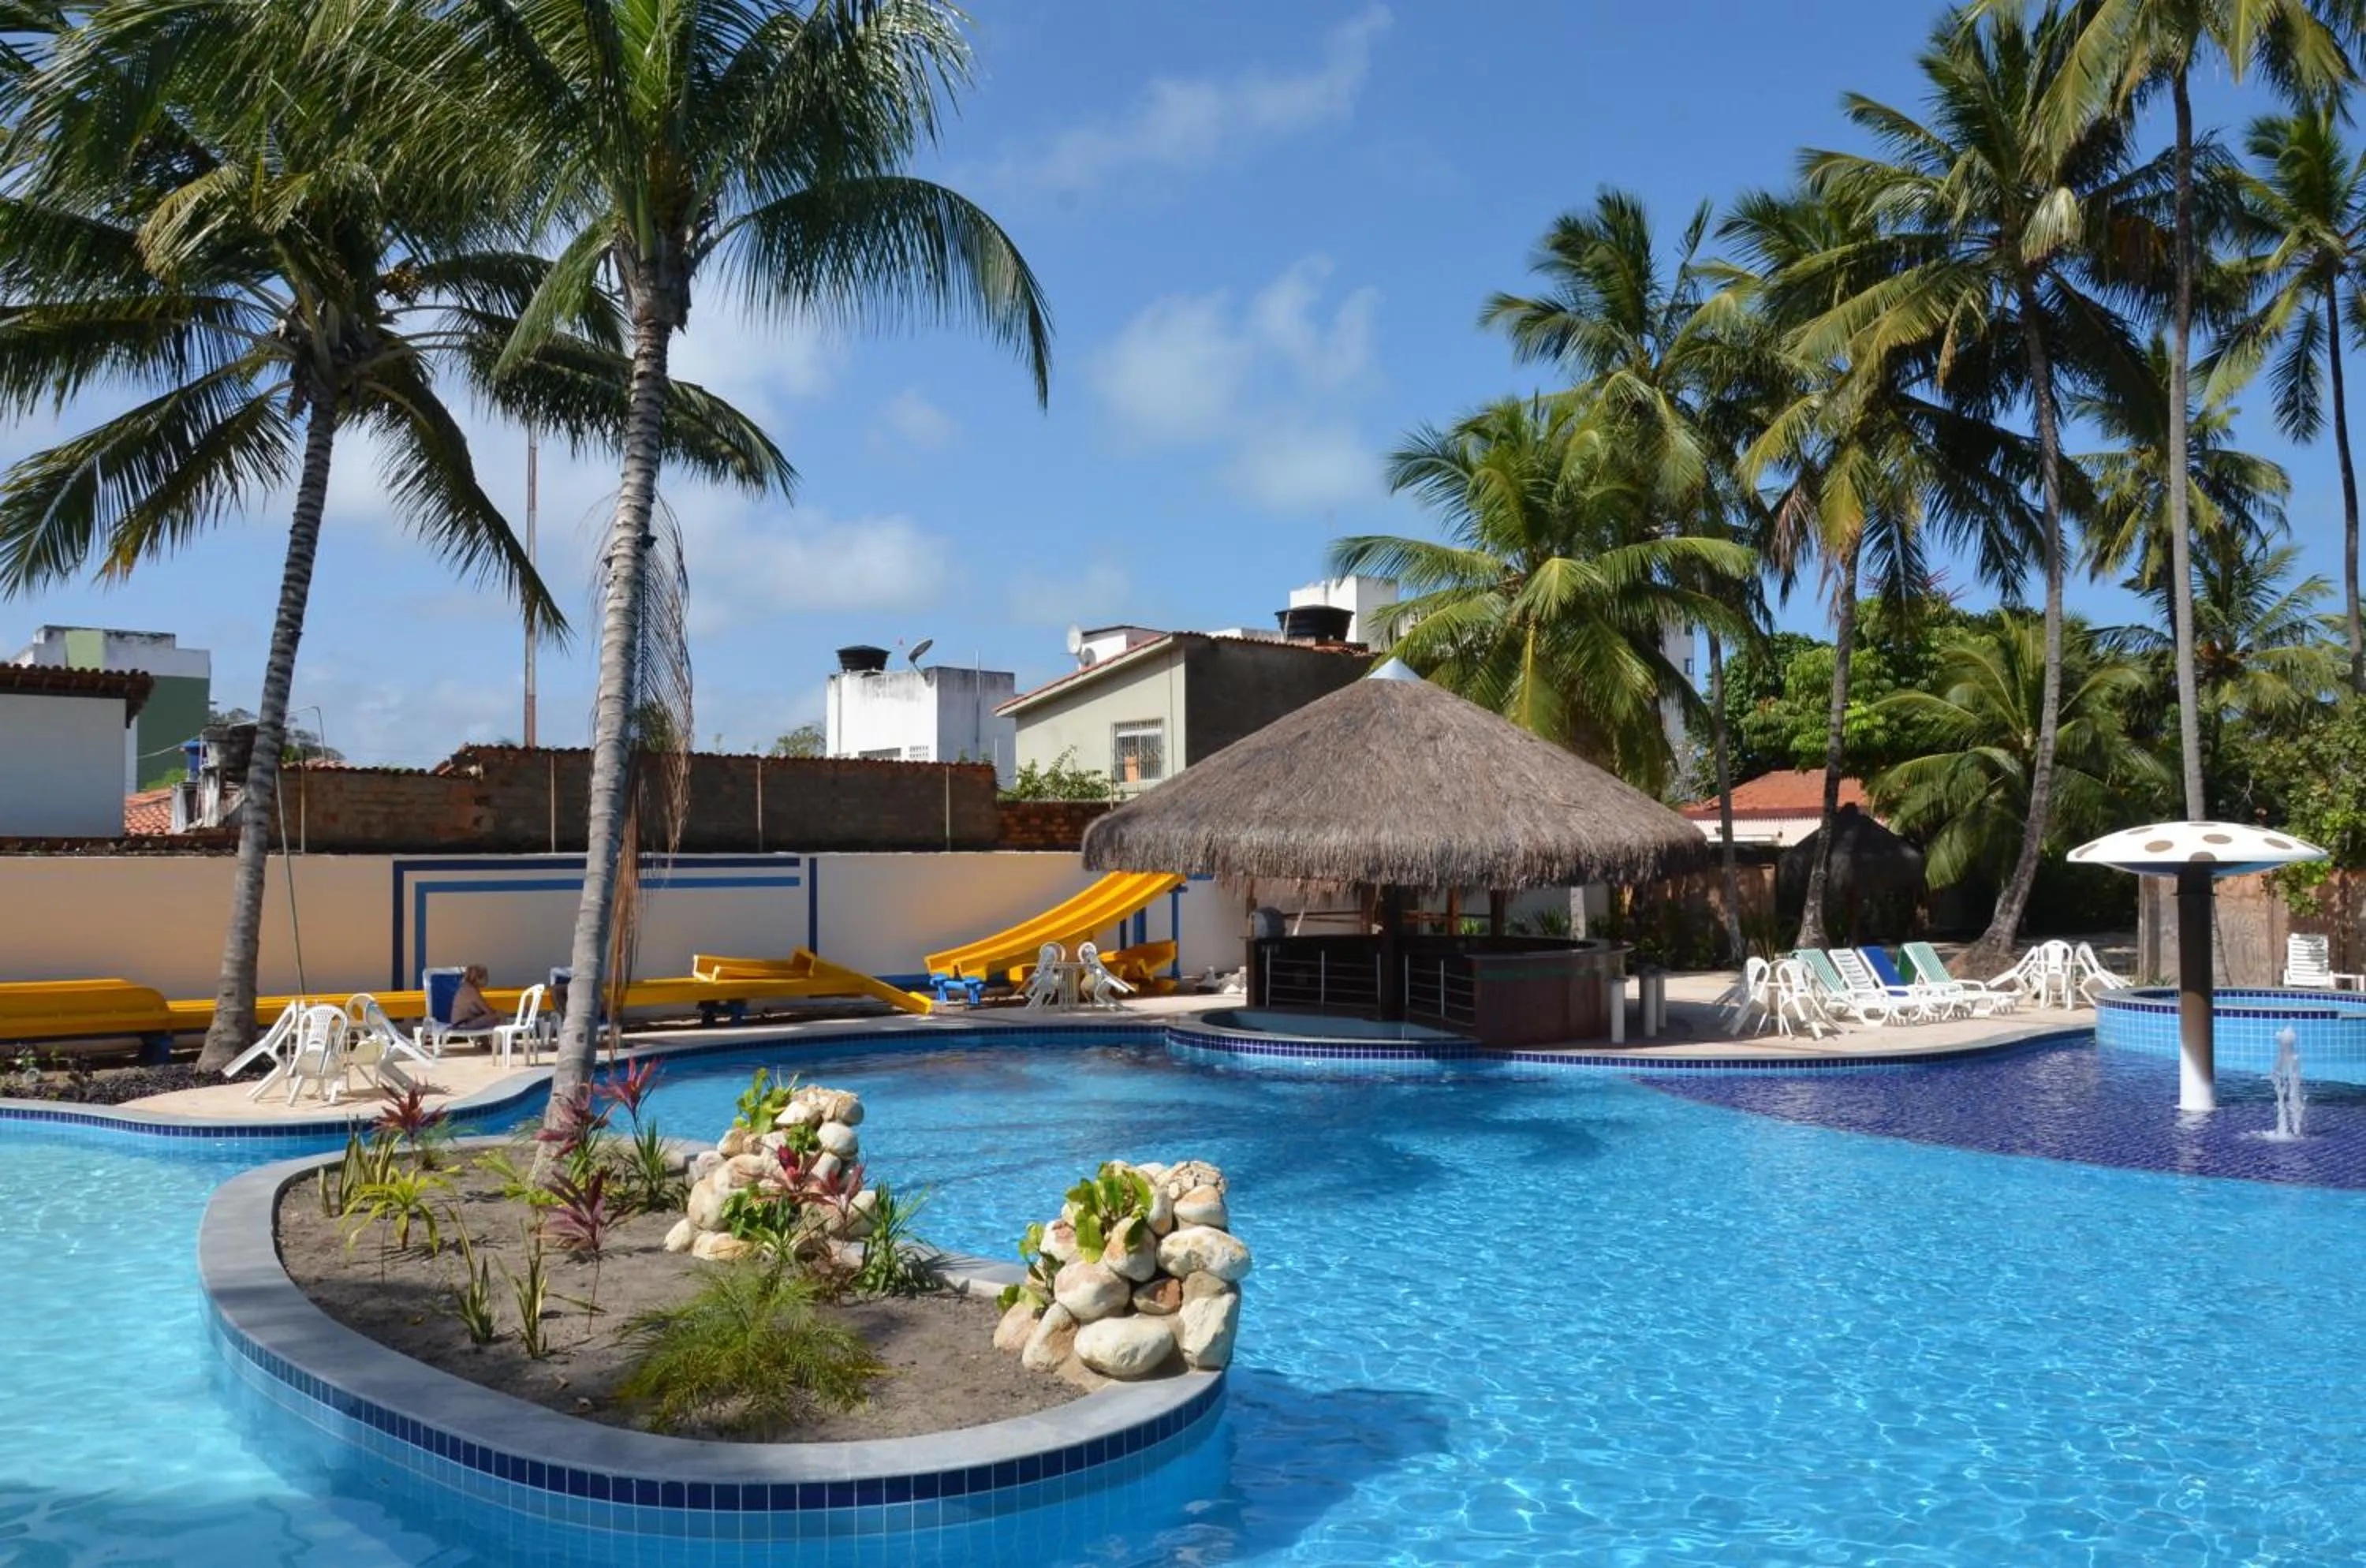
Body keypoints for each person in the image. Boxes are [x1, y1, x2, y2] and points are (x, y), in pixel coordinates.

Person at [450, 965, 502, 1033]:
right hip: (463, 1025)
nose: (488, 980)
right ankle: (501, 1042)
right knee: (499, 1015)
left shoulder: (465, 987)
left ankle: (486, 1042)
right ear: (478, 978)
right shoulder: (472, 991)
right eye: (486, 977)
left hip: (460, 1024)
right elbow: (488, 1010)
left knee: (486, 1016)